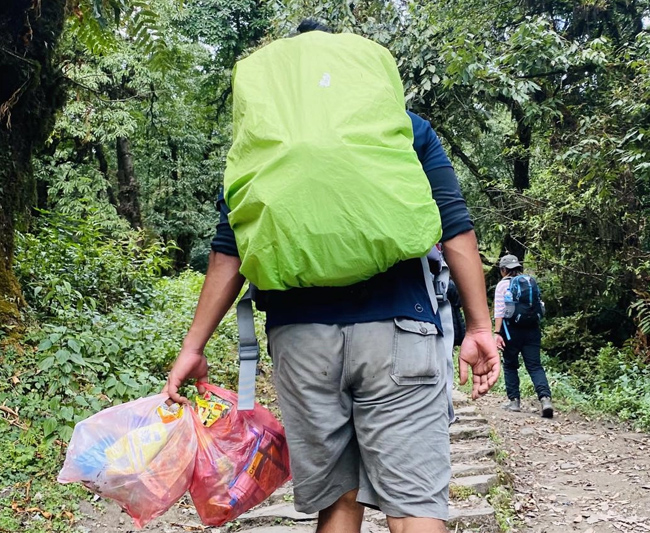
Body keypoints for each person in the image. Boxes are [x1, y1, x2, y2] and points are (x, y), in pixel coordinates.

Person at [164, 20, 500, 533]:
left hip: (300, 341)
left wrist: (193, 346)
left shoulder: (263, 142)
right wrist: (479, 327)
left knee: (339, 504)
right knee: (414, 506)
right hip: (399, 331)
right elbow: (455, 230)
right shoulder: (403, 127)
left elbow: (227, 253)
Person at [493, 254, 554, 418]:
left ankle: (514, 402)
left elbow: (499, 311)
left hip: (510, 331)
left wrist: (497, 333)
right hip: (532, 330)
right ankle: (545, 399)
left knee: (510, 365)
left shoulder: (502, 285)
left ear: (503, 270)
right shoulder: (530, 281)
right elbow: (540, 306)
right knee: (535, 366)